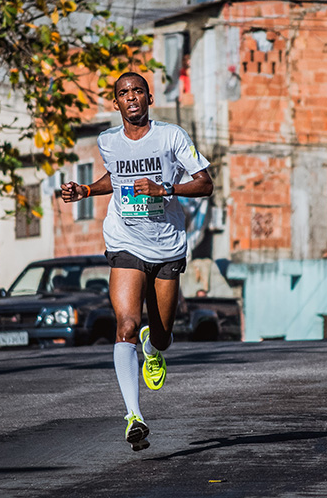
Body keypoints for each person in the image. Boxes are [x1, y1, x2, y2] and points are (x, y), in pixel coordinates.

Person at [61, 72, 213, 451]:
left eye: (137, 91)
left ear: (149, 98)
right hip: (125, 241)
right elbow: (114, 179)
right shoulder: (107, 141)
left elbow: (205, 183)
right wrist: (85, 190)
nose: (131, 98)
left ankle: (153, 347)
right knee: (125, 324)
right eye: (123, 93)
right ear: (116, 103)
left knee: (160, 335)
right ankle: (134, 416)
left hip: (166, 246)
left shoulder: (171, 136)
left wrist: (167, 189)